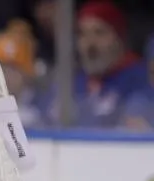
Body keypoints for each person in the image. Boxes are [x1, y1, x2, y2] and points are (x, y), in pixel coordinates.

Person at [36, 0, 148, 128]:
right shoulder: (71, 82)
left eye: (99, 33)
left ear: (119, 38)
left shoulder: (140, 79)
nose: (90, 44)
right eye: (83, 34)